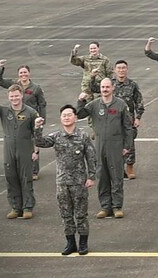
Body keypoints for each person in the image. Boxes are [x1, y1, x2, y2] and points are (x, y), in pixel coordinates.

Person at [33, 105, 97, 256]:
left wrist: (91, 176)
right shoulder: (56, 136)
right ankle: (70, 242)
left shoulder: (82, 136)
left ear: (75, 117)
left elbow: (91, 156)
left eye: (69, 115)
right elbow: (40, 142)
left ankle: (83, 242)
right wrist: (37, 127)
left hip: (79, 182)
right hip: (62, 182)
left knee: (81, 214)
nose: (66, 117)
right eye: (64, 115)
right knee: (65, 214)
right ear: (61, 118)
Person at [75, 78, 134, 219]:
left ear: (113, 88)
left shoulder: (120, 104)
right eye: (102, 87)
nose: (105, 89)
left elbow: (128, 127)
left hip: (116, 146)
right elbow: (80, 114)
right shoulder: (95, 104)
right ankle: (105, 207)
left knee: (116, 177)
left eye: (107, 87)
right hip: (100, 145)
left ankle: (117, 206)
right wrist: (80, 101)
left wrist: (127, 146)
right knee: (102, 177)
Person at [0, 81, 40, 219]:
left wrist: (36, 151)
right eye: (11, 96)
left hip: (25, 149)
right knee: (11, 178)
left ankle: (27, 207)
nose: (14, 98)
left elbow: (37, 133)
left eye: (16, 95)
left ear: (21, 95)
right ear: (8, 97)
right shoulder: (4, 111)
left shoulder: (31, 112)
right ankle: (16, 208)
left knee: (26, 178)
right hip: (9, 150)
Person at [0, 60, 47, 181]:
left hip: (32, 119)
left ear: (29, 73)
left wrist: (42, 120)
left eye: (25, 72)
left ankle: (34, 171)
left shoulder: (36, 88)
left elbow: (42, 104)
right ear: (18, 74)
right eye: (21, 73)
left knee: (34, 143)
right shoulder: (14, 85)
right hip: (17, 119)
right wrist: (0, 68)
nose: (23, 74)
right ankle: (19, 168)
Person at [110, 60, 145, 179]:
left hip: (128, 120)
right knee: (114, 144)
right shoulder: (110, 84)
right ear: (115, 70)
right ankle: (118, 168)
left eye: (123, 68)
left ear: (127, 70)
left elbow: (139, 102)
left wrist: (138, 117)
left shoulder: (132, 85)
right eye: (119, 68)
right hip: (113, 120)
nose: (121, 70)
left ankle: (130, 166)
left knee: (129, 143)